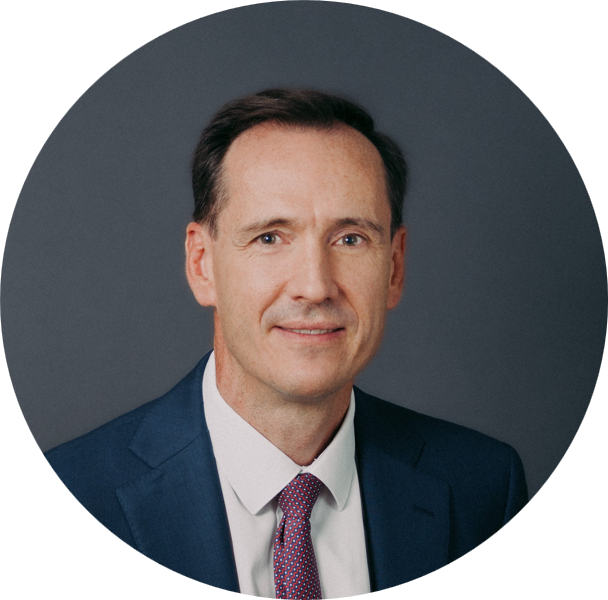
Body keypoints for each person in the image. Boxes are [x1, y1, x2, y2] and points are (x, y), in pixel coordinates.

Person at [43, 88, 528, 594]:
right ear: (202, 264)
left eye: (350, 238)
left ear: (394, 267)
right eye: (270, 237)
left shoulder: (484, 489)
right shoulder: (80, 490)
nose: (315, 286)